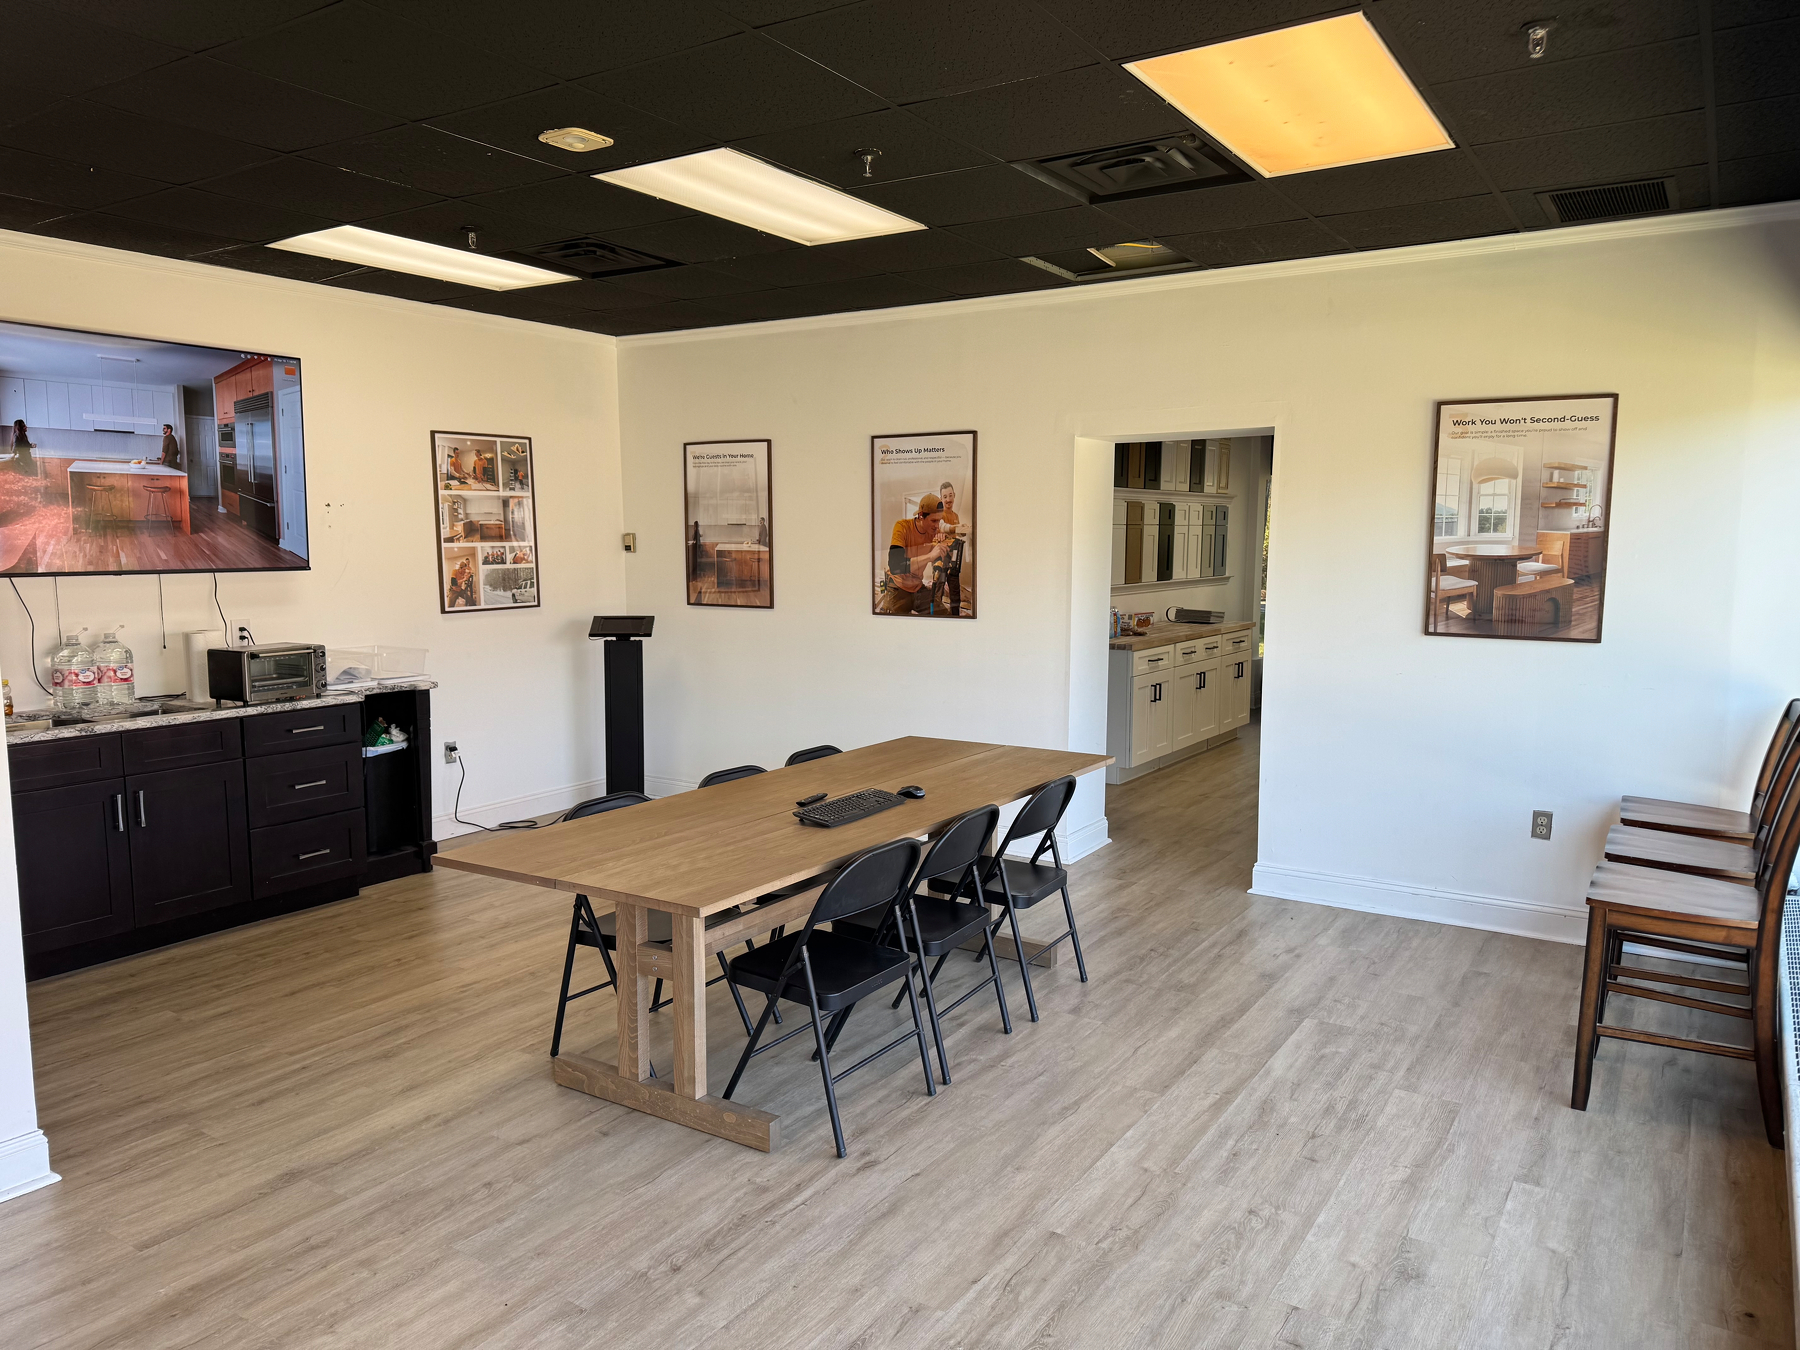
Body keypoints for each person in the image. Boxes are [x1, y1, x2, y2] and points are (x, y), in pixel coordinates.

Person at [878, 493, 951, 615]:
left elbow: (945, 553)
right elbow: (896, 566)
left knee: (947, 617)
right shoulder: (902, 527)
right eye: (933, 520)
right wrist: (930, 556)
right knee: (888, 624)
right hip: (898, 587)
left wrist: (943, 548)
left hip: (918, 587)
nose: (937, 526)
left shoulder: (934, 532)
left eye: (939, 520)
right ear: (921, 516)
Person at [936, 479, 963, 616]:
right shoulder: (938, 514)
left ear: (954, 495)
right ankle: (936, 616)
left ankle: (955, 616)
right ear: (941, 498)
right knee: (938, 589)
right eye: (945, 496)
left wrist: (961, 531)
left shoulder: (956, 516)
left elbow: (956, 535)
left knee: (955, 590)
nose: (948, 499)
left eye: (950, 495)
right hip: (941, 557)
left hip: (953, 559)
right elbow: (940, 527)